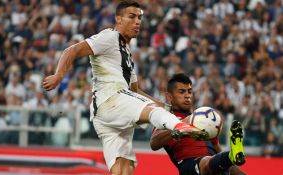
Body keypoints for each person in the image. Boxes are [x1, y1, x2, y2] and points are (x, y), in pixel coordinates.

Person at [42, 1, 207, 174]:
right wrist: (58, 75)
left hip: (110, 114)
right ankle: (181, 127)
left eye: (139, 17)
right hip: (111, 99)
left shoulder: (126, 54)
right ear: (118, 19)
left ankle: (175, 124)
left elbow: (136, 91)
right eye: (132, 16)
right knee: (151, 110)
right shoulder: (110, 37)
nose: (137, 21)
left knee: (124, 168)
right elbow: (72, 50)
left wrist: (166, 108)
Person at [150, 73, 246, 175]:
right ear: (169, 97)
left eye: (189, 91)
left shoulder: (202, 120)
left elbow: (218, 151)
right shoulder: (166, 118)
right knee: (205, 162)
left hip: (214, 167)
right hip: (189, 166)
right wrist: (182, 125)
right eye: (182, 92)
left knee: (219, 162)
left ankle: (230, 156)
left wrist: (233, 160)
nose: (187, 95)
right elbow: (154, 143)